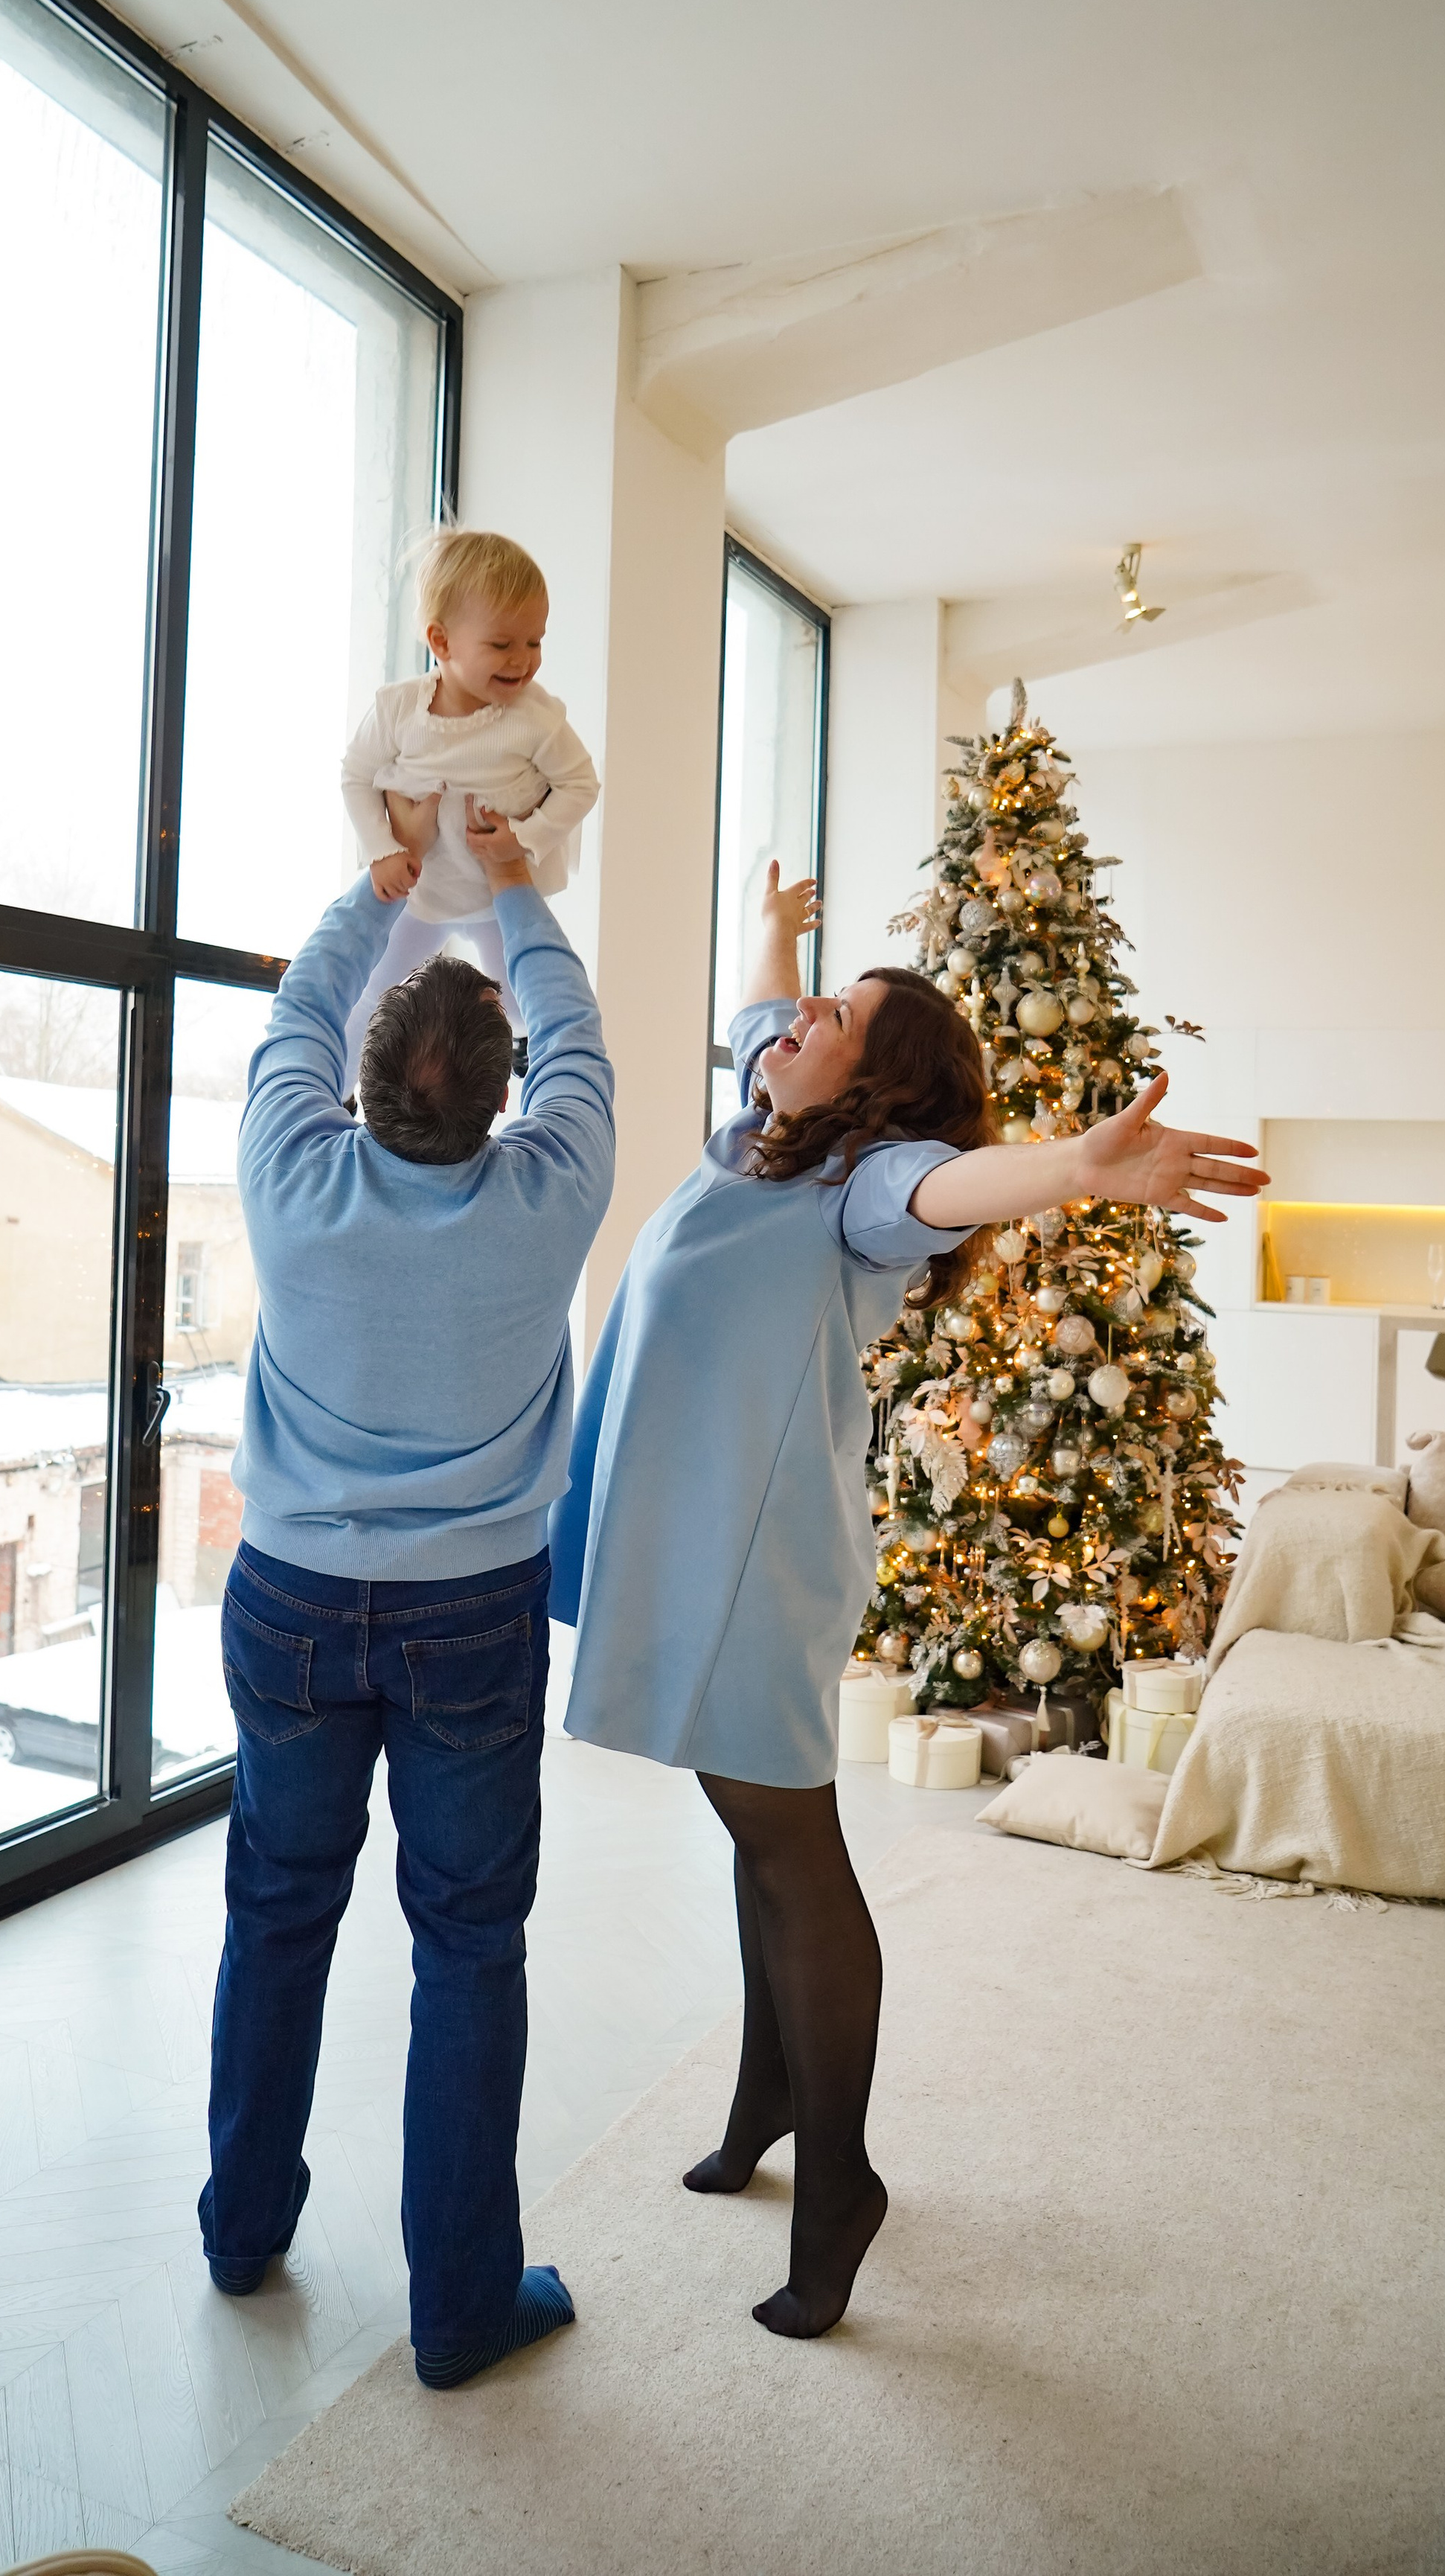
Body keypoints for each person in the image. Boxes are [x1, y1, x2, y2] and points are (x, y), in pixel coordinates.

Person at [551, 863, 1267, 2342]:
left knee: (792, 1849)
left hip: (752, 1568)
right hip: (697, 1548)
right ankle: (765, 2091)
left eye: (833, 1016)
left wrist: (1072, 1165)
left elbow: (948, 1185)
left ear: (866, 1091)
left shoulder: (857, 1191)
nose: (794, 1017)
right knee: (744, 1825)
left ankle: (841, 2187)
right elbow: (768, 1014)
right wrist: (776, 935)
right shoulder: (765, 1125)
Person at [199, 799, 614, 2393]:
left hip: (291, 1601)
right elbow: (574, 1035)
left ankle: (242, 2229)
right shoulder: (547, 1197)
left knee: (275, 1912)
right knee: (466, 1948)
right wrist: (508, 894)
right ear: (505, 1104)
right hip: (467, 1622)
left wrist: (386, 889)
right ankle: (458, 2309)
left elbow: (301, 1008)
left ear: (361, 1096)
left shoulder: (290, 1173)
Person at [339, 528, 599, 1093]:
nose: (524, 661)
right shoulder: (399, 710)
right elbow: (355, 775)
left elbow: (581, 784)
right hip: (420, 891)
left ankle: (529, 1095)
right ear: (442, 641)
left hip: (494, 897)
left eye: (535, 642)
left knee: (524, 1004)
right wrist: (383, 851)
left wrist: (524, 840)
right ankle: (340, 1098)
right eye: (503, 645)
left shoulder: (535, 718)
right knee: (375, 996)